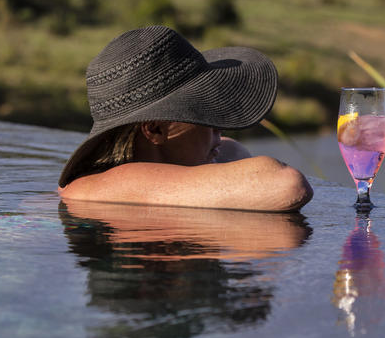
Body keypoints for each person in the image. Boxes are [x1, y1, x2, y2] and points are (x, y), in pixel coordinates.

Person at [57, 25, 313, 212]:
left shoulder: (131, 178)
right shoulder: (116, 183)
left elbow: (232, 150)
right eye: (203, 113)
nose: (218, 129)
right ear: (155, 130)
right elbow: (287, 185)